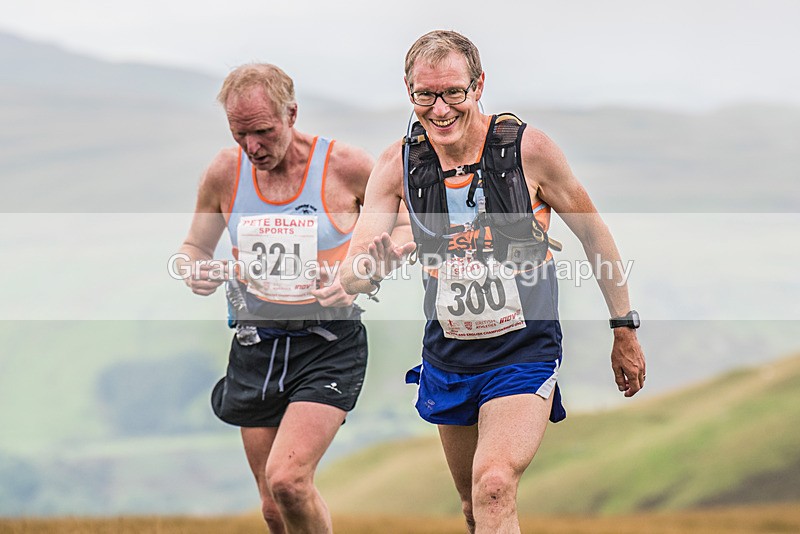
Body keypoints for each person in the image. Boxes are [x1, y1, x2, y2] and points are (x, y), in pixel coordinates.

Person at [340, 30, 646, 534]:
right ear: (408, 89)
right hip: (449, 355)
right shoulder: (397, 164)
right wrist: (375, 262)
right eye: (425, 94)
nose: (439, 109)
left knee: (495, 485)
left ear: (479, 85)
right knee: (472, 505)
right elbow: (354, 271)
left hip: (523, 352)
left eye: (453, 93)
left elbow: (595, 237)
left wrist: (624, 328)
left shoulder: (529, 150)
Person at [176, 63, 380, 533]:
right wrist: (196, 272)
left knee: (289, 480)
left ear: (292, 114)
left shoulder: (346, 166)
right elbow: (193, 247)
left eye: (263, 131)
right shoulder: (226, 172)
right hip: (256, 345)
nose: (252, 148)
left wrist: (365, 269)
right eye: (239, 134)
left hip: (328, 342)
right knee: (272, 507)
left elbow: (406, 222)